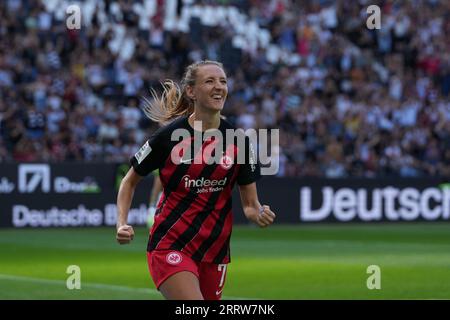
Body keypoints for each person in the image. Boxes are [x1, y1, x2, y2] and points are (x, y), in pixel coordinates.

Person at [115, 60, 276, 300]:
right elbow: (129, 181)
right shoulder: (167, 137)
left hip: (215, 249)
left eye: (222, 81)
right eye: (209, 81)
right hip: (170, 242)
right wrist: (121, 223)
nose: (219, 86)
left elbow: (250, 205)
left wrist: (259, 213)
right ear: (191, 91)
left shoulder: (240, 142)